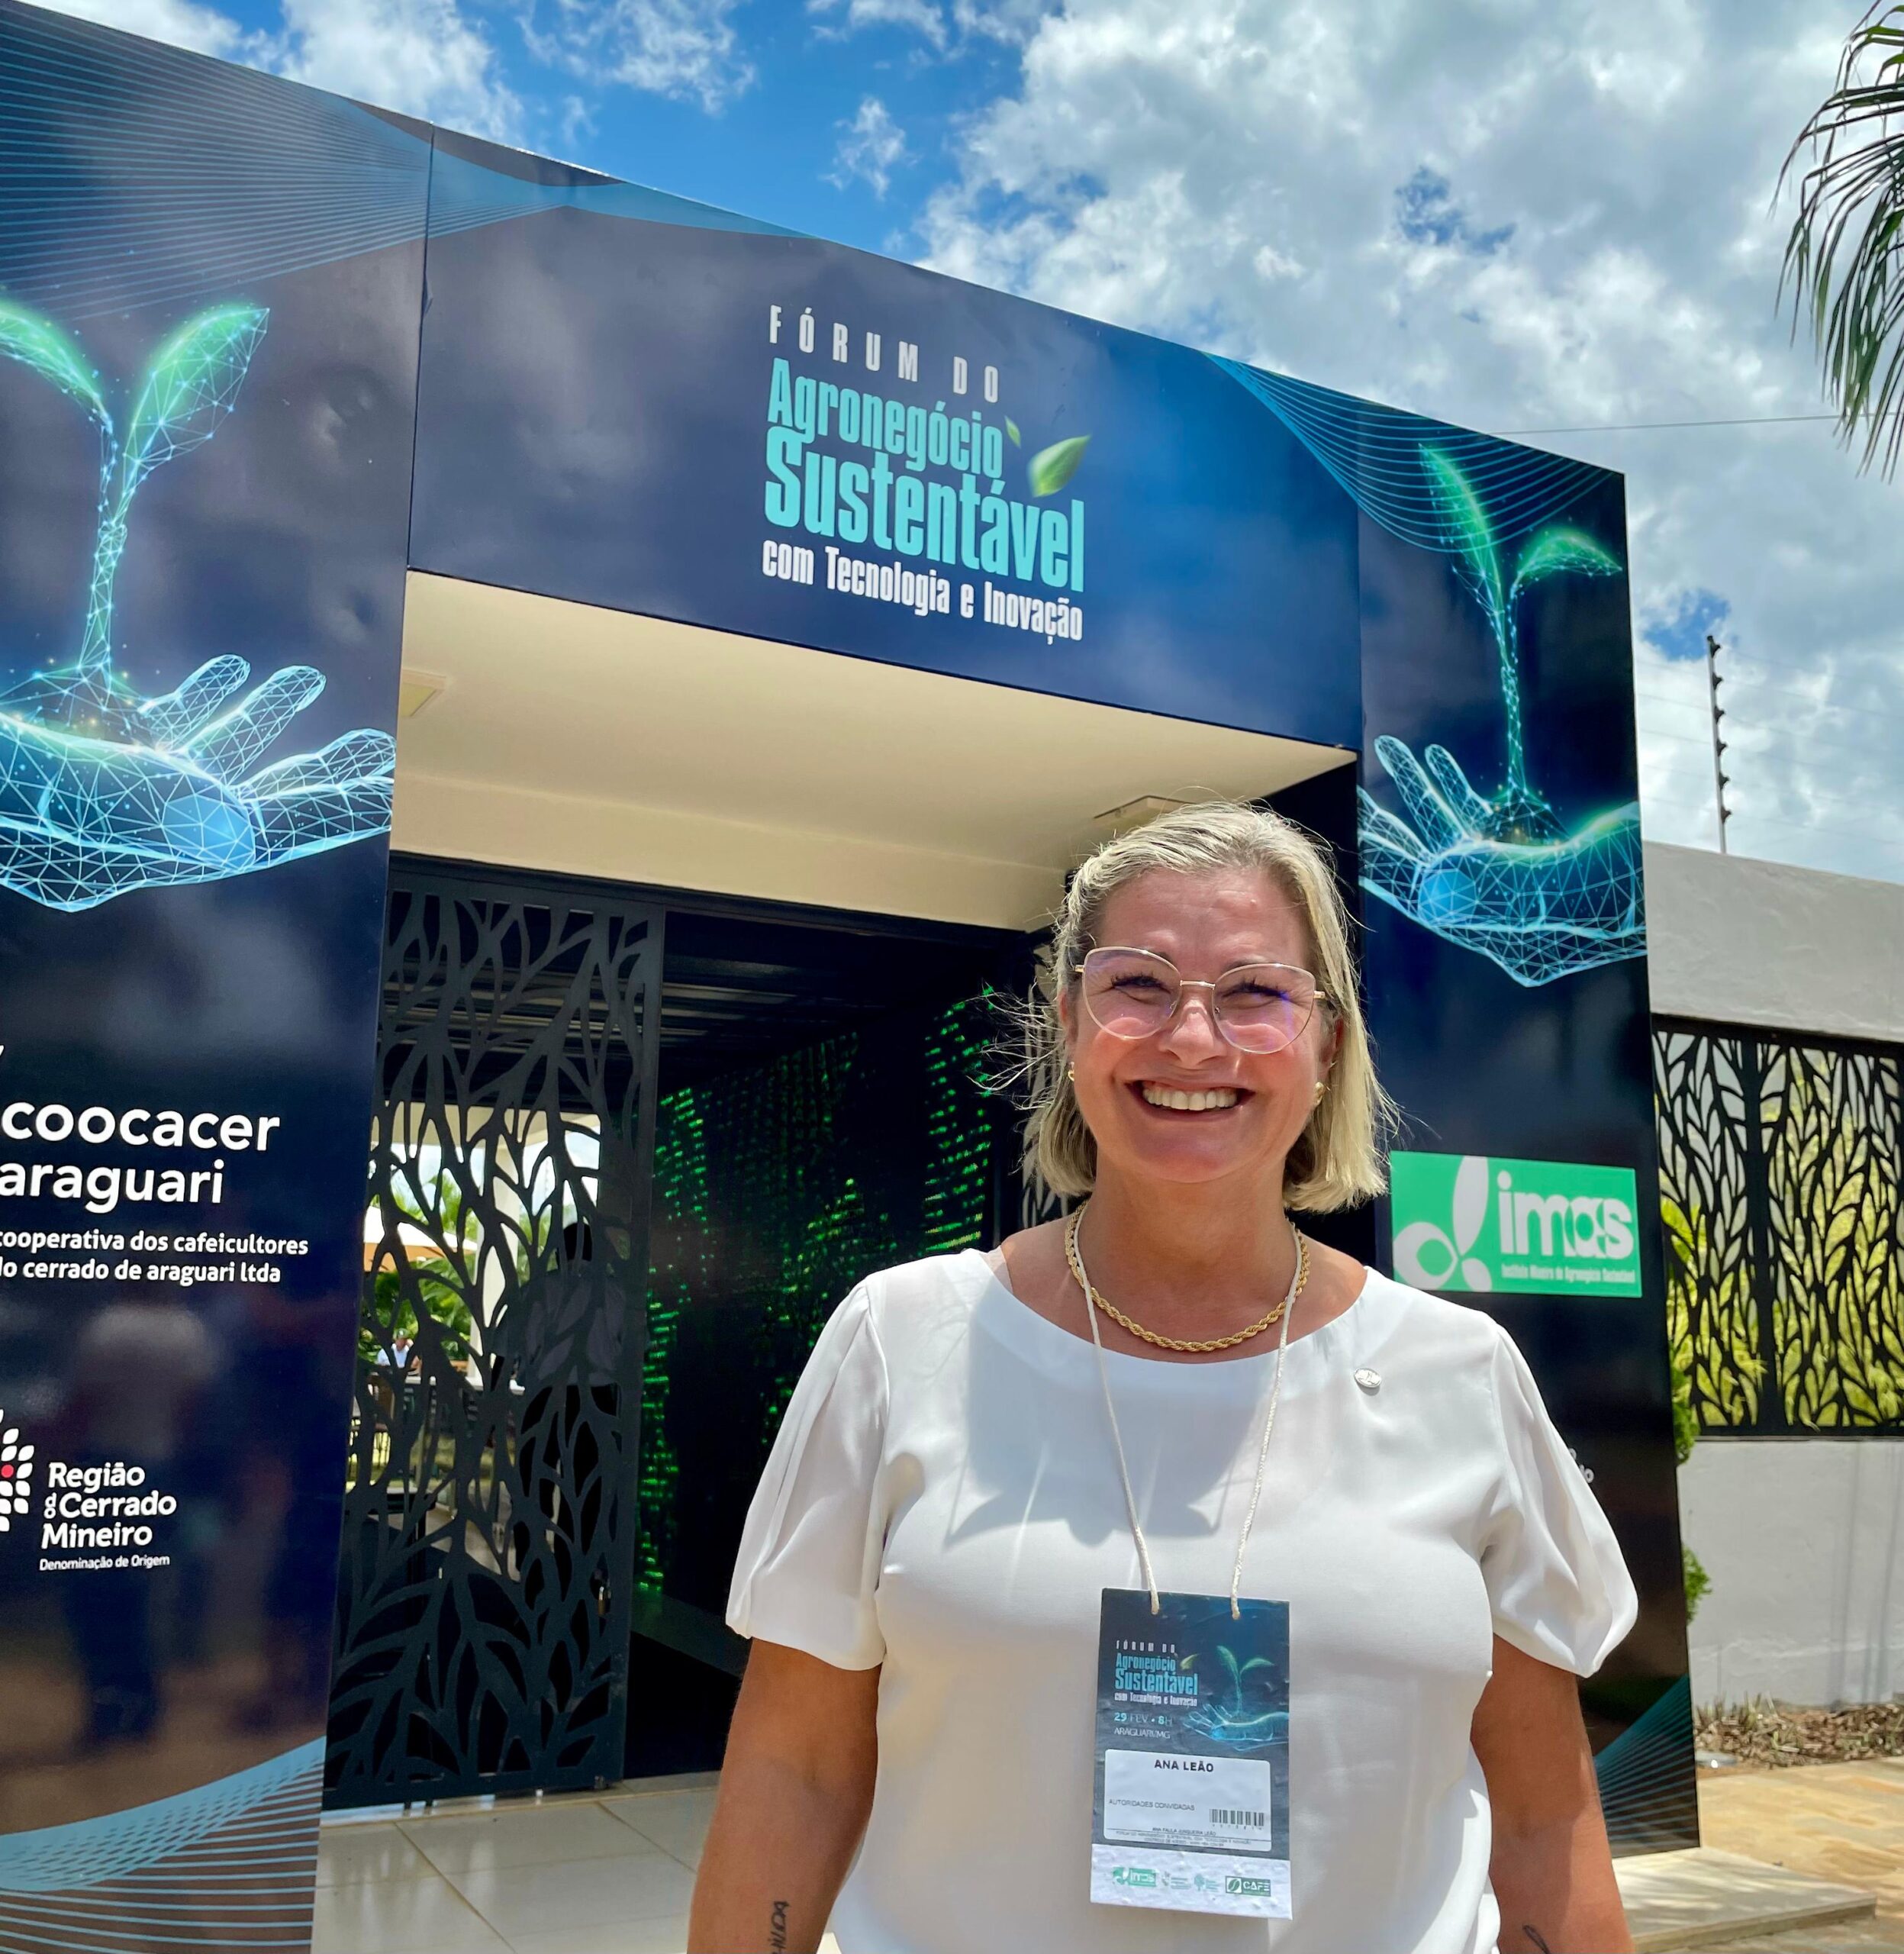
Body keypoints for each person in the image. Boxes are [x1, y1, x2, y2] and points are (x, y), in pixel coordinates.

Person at [688, 801, 1637, 1954]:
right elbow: (793, 1774)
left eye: (1255, 992)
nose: (1192, 1039)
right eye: (1138, 984)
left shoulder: (1461, 1372)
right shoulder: (902, 1339)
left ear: (1328, 1044)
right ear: (1069, 1022)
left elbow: (1542, 1817)